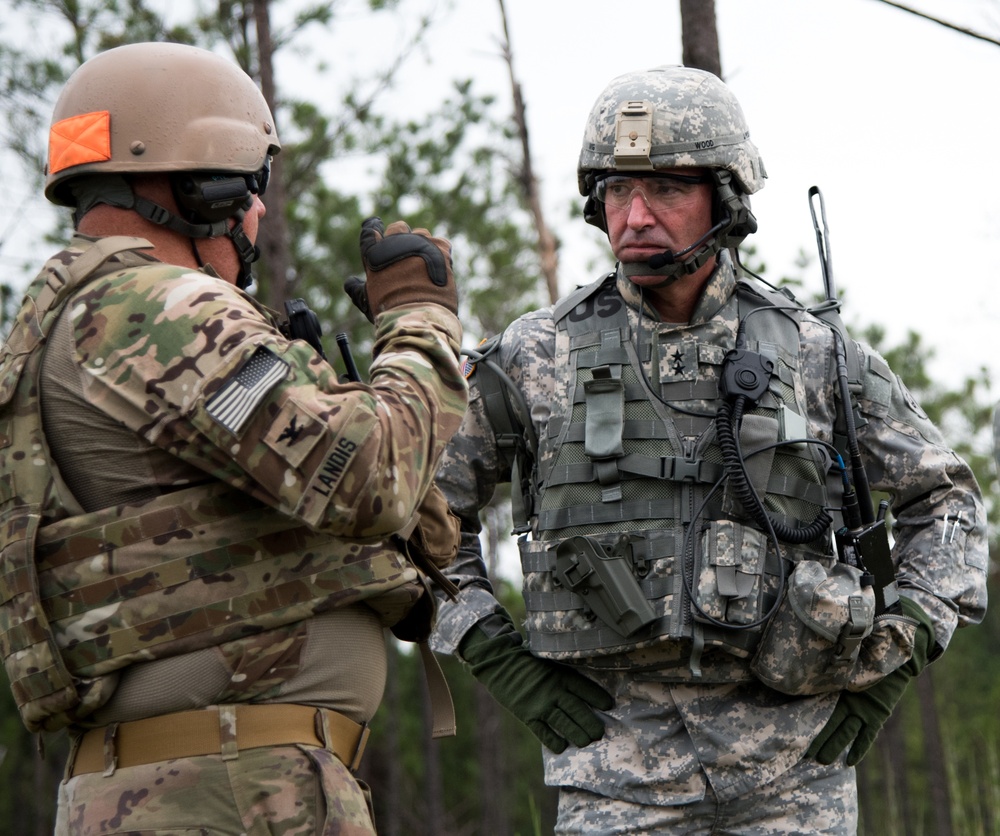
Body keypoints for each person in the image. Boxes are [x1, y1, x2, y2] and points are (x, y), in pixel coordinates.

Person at [423, 65, 987, 834]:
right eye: (618, 191)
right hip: (614, 770)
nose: (637, 215)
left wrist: (902, 650)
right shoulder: (534, 355)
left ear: (724, 199)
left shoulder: (816, 353)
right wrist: (497, 658)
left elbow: (948, 502)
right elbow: (420, 517)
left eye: (666, 190)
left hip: (793, 770)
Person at [0, 42, 467, 835]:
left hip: (195, 784)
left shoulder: (72, 319)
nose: (255, 215)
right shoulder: (156, 309)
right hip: (231, 791)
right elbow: (371, 475)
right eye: (249, 188)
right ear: (201, 188)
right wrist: (420, 320)